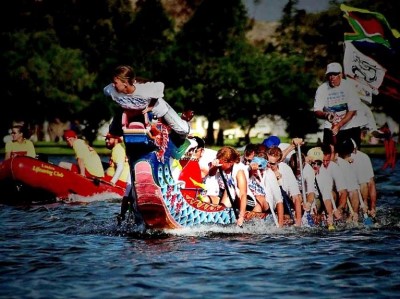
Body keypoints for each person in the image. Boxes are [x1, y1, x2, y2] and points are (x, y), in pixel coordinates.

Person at [103, 65, 190, 137]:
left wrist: (151, 106)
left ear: (125, 83)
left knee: (183, 130)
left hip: (156, 108)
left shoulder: (144, 89)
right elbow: (106, 92)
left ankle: (182, 119)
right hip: (136, 111)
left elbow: (161, 86)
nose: (113, 85)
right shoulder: (111, 89)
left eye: (115, 82)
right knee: (113, 132)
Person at [314, 62, 362, 147]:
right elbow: (317, 111)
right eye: (329, 75)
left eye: (334, 74)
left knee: (352, 156)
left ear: (341, 75)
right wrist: (326, 115)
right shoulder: (322, 89)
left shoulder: (349, 86)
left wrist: (339, 125)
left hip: (350, 126)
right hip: (330, 127)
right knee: (330, 155)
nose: (331, 78)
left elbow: (352, 110)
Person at [208, 146, 248, 227]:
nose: (219, 163)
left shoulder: (239, 171)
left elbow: (243, 194)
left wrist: (241, 216)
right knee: (206, 199)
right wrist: (215, 166)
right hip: (224, 196)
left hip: (242, 200)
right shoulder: (220, 166)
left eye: (221, 162)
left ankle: (221, 215)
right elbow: (211, 174)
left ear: (230, 162)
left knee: (229, 189)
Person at [265, 146, 303, 226]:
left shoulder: (286, 169)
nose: (268, 165)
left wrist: (298, 223)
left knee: (299, 198)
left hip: (285, 201)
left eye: (272, 163)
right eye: (267, 161)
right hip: (270, 202)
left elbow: (296, 197)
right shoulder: (265, 169)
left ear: (279, 162)